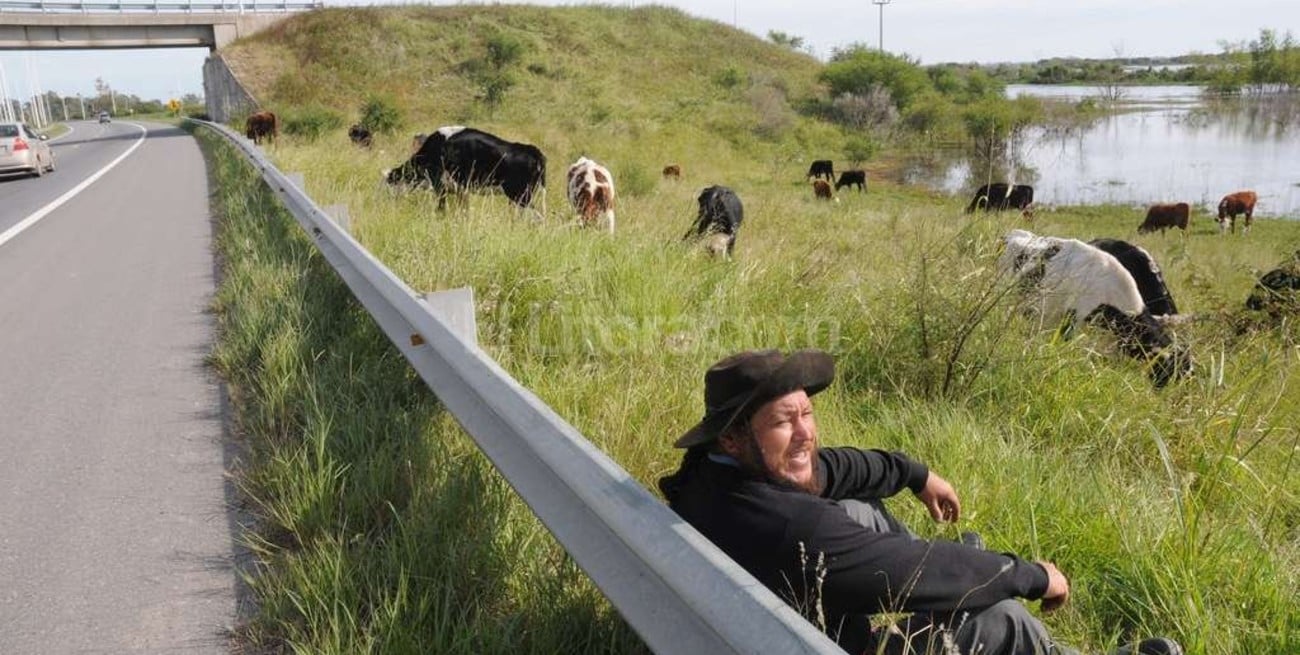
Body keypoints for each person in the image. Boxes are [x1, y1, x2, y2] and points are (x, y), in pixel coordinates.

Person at [659, 348, 1181, 655]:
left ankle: (968, 571)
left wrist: (915, 473)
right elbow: (906, 569)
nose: (805, 434)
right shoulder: (784, 524)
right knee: (998, 617)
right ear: (732, 437)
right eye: (781, 420)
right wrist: (1028, 574)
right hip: (816, 644)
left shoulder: (715, 475)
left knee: (859, 505)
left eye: (806, 414)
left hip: (770, 626)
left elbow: (833, 469)